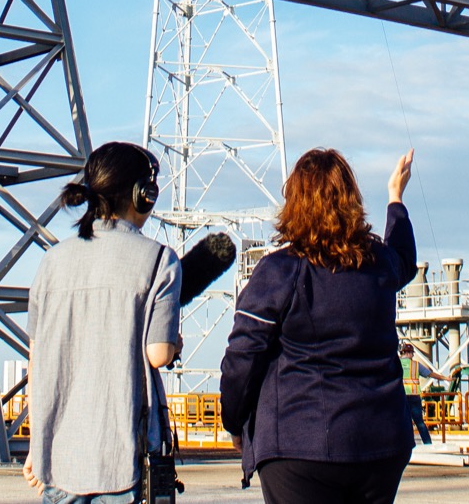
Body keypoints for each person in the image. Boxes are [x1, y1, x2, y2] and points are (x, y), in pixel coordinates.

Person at [220, 148, 419, 504]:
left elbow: (244, 356)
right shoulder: (378, 265)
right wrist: (395, 199)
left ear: (294, 202)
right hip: (381, 443)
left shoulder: (280, 272)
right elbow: (405, 259)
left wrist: (234, 422)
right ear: (351, 200)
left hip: (298, 445)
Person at [24, 142, 183, 504]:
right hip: (127, 462)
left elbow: (38, 364)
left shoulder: (51, 263)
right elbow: (157, 355)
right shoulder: (160, 260)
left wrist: (38, 448)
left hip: (62, 463)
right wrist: (174, 343)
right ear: (143, 195)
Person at [398, 342, 433, 445]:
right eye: (412, 353)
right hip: (414, 397)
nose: (413, 355)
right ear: (408, 353)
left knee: (404, 422)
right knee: (420, 423)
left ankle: (408, 445)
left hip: (401, 397)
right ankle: (428, 444)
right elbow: (430, 374)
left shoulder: (396, 363)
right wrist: (445, 378)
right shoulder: (416, 365)